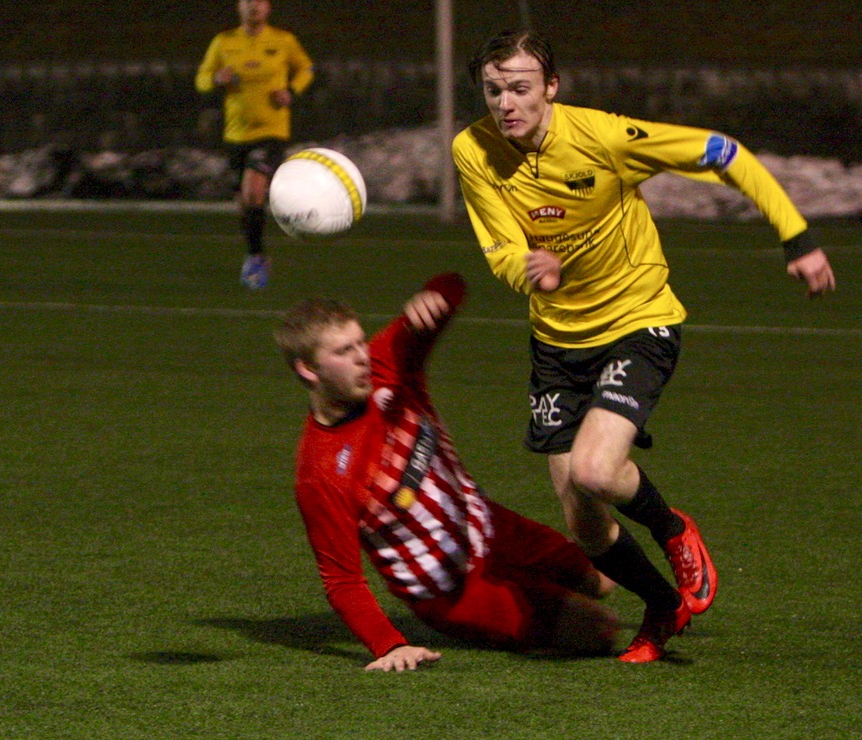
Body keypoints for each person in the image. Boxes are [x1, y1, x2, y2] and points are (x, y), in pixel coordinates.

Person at [452, 29, 838, 662]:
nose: (506, 103)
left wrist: (796, 237)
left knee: (595, 471)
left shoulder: (604, 137)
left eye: (520, 88)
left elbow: (724, 152)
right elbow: (499, 245)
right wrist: (528, 269)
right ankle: (662, 608)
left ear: (552, 87)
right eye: (494, 91)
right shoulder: (473, 149)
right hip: (556, 343)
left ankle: (672, 528)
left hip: (638, 320)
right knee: (584, 521)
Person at [277, 272, 621, 672]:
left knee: (603, 579)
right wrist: (389, 646)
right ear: (308, 370)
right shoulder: (321, 473)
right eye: (343, 351)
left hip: (491, 527)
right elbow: (342, 581)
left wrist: (434, 296)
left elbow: (453, 285)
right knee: (600, 630)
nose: (361, 356)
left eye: (360, 342)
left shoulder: (386, 364)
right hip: (456, 592)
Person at [195, 0, 313, 290]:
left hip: (271, 130)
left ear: (268, 7)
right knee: (245, 203)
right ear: (239, 7)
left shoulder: (283, 40)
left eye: (259, 1)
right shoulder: (224, 41)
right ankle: (255, 254)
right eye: (248, 1)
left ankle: (256, 260)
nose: (254, 6)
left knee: (253, 191)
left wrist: (291, 91)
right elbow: (201, 79)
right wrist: (216, 78)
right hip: (236, 135)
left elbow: (306, 68)